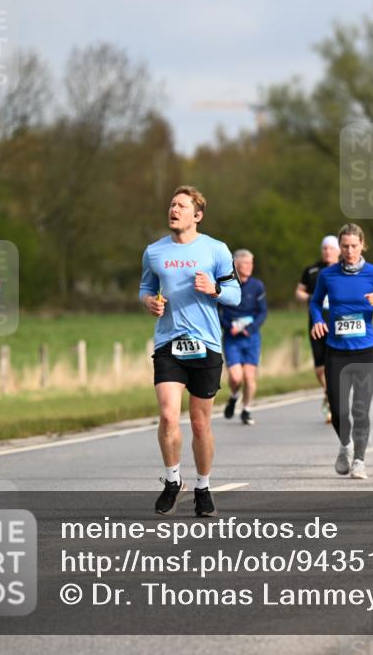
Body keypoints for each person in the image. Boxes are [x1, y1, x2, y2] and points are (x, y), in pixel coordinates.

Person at [140, 185, 241, 518]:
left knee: (200, 424)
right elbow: (145, 288)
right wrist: (149, 303)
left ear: (197, 215)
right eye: (172, 204)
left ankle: (203, 487)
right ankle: (172, 481)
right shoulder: (154, 251)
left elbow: (235, 295)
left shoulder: (216, 250)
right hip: (169, 342)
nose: (174, 209)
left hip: (206, 345)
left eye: (181, 206)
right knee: (169, 415)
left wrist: (214, 289)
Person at [310, 224, 373, 480]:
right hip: (336, 352)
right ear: (339, 248)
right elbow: (314, 302)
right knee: (339, 410)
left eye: (354, 246)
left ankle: (360, 461)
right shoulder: (328, 275)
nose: (350, 251)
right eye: (345, 246)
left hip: (366, 353)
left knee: (360, 410)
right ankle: (345, 445)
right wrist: (318, 319)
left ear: (363, 245)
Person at [219, 249, 267, 425]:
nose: (249, 267)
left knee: (249, 377)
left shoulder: (257, 286)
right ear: (236, 266)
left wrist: (251, 327)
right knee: (236, 377)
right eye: (245, 263)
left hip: (251, 337)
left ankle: (246, 409)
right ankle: (233, 396)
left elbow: (262, 311)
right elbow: (217, 312)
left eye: (251, 263)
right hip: (232, 338)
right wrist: (228, 326)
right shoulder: (226, 284)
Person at [296, 236, 340, 424]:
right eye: (324, 248)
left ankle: (333, 400)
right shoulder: (312, 270)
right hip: (316, 322)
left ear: (338, 250)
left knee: (336, 363)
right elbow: (299, 292)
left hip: (339, 322)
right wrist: (311, 299)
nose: (327, 251)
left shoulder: (344, 269)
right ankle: (328, 392)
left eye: (331, 248)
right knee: (320, 367)